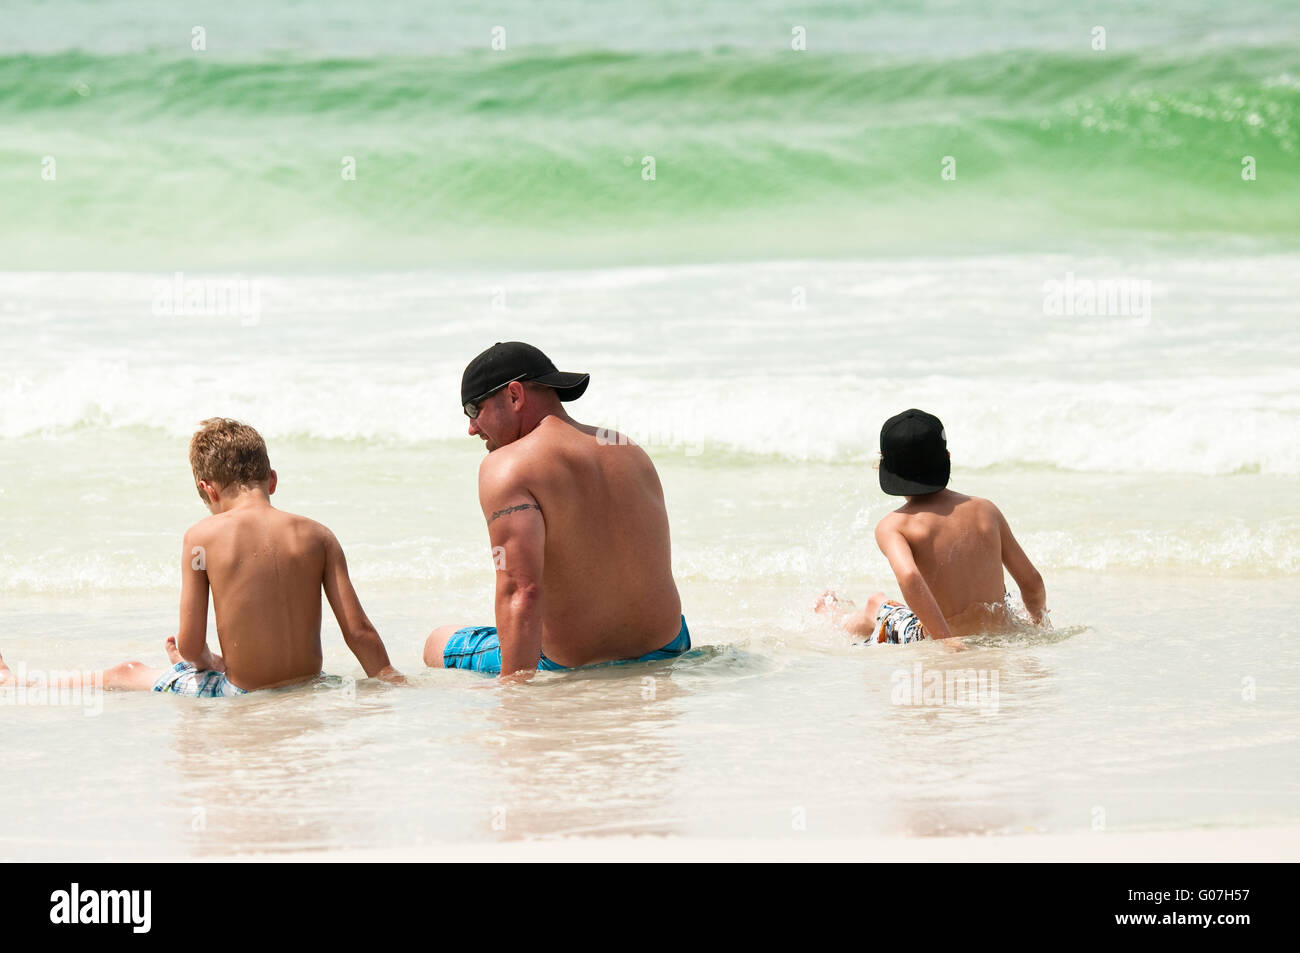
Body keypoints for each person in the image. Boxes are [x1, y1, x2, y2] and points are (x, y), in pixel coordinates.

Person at [0, 418, 402, 696]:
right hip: (310, 684)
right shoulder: (319, 535)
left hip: (241, 692)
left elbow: (191, 644)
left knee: (127, 672)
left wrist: (208, 660)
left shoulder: (201, 538)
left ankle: (19, 684)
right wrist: (388, 678)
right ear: (272, 479)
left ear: (208, 490)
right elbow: (359, 632)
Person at [423, 342, 690, 679]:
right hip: (669, 646)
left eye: (473, 409)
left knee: (436, 641)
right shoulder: (625, 446)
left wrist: (515, 699)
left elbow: (522, 590)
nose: (472, 428)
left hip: (571, 661)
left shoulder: (506, 466)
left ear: (515, 395)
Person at [816, 408, 1047, 643]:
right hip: (1001, 630)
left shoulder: (893, 526)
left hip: (939, 637)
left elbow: (909, 576)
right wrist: (1037, 626)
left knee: (878, 604)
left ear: (884, 468)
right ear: (946, 458)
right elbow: (1032, 581)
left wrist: (946, 640)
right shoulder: (986, 510)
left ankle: (836, 617)